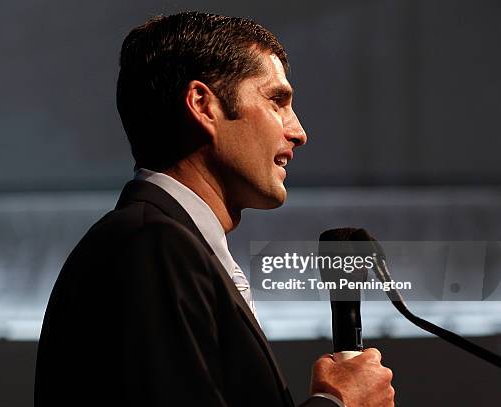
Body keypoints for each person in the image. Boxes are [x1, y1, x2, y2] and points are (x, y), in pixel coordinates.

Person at [34, 11, 394, 407]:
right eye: (277, 101)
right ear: (203, 106)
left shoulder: (162, 243)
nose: (299, 132)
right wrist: (339, 404)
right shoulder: (152, 244)